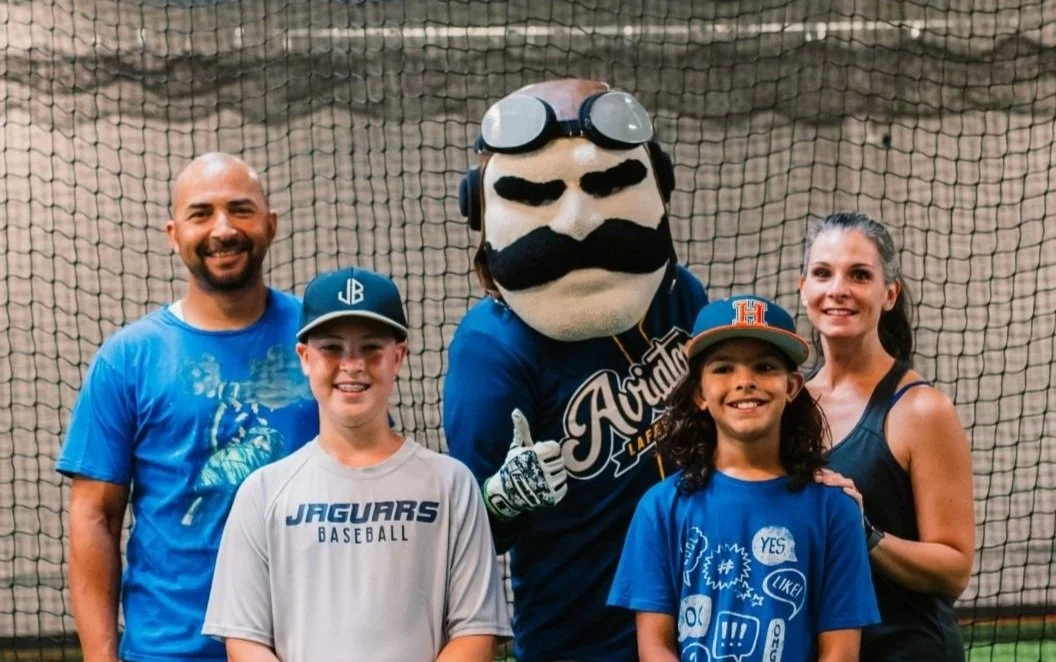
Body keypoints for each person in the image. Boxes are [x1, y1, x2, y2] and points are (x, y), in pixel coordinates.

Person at [444, 78, 709, 661]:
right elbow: (469, 532)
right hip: (578, 634)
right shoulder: (490, 346)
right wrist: (502, 497)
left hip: (699, 620)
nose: (579, 220)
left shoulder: (678, 296)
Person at [56, 153, 319, 662]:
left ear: (270, 225)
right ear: (174, 234)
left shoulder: (321, 339)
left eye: (240, 210)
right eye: (202, 214)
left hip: (309, 640)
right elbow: (94, 516)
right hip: (171, 648)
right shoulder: (129, 358)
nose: (223, 229)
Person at [202, 266, 512, 661]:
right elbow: (245, 642)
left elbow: (475, 633)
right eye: (331, 347)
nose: (352, 364)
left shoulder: (452, 485)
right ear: (304, 357)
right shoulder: (263, 493)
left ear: (398, 357)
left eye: (371, 348)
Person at [608, 294, 881, 662]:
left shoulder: (834, 510)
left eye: (765, 367)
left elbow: (840, 653)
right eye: (723, 369)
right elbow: (655, 646)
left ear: (792, 386)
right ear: (699, 393)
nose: (745, 382)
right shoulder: (660, 508)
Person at [802, 211, 975, 661]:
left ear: (889, 293)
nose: (838, 289)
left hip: (907, 650)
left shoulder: (921, 410)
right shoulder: (786, 404)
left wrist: (865, 533)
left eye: (859, 275)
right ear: (804, 287)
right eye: (823, 273)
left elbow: (954, 570)